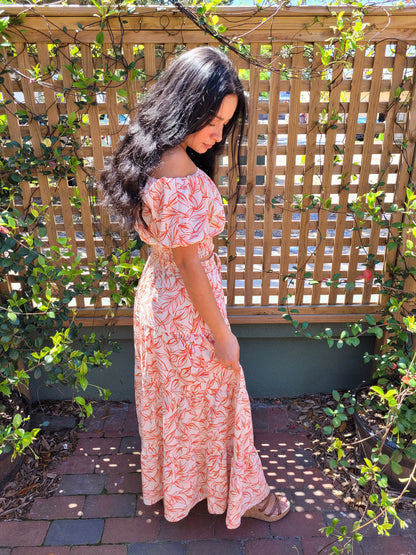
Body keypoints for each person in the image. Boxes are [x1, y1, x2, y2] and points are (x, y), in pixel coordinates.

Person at [100, 46, 290, 530]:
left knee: (179, 405)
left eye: (225, 123)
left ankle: (184, 488)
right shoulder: (182, 175)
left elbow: (175, 256)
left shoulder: (147, 153)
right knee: (223, 398)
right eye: (211, 120)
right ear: (185, 104)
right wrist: (222, 333)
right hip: (187, 312)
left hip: (158, 300)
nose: (217, 133)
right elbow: (189, 263)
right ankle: (245, 494)